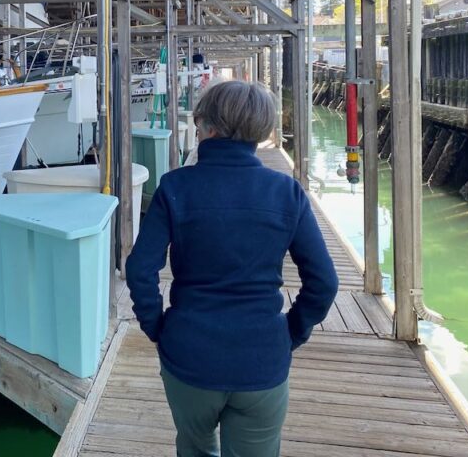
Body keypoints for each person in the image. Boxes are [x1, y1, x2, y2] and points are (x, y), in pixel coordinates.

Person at [125, 80, 338, 457]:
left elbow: (141, 269)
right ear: (261, 131)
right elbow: (324, 282)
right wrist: (291, 331)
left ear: (209, 128)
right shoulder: (287, 192)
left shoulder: (175, 187)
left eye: (199, 120)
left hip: (189, 354)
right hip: (262, 358)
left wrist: (157, 326)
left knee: (194, 448)